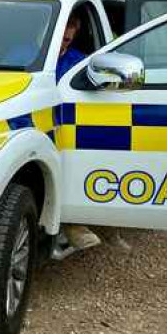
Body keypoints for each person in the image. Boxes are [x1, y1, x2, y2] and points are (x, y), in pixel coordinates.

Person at [55, 13, 102, 252]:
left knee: (72, 163)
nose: (65, 40)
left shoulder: (80, 62)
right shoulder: (22, 53)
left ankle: (73, 224)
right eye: (61, 35)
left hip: (71, 125)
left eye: (68, 37)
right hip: (33, 123)